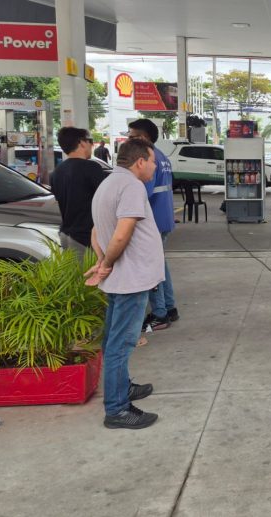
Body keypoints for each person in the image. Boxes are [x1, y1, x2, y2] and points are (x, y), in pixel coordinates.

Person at [86, 138, 163, 429]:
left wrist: (102, 259)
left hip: (122, 276)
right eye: (153, 161)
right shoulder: (131, 186)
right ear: (140, 161)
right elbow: (122, 233)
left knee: (112, 339)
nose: (155, 166)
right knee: (121, 343)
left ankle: (123, 387)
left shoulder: (108, 183)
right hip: (130, 279)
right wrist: (106, 263)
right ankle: (117, 409)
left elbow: (96, 230)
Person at [127, 119, 178, 331]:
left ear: (143, 137)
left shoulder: (146, 158)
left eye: (132, 137)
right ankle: (169, 307)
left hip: (152, 222)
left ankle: (159, 314)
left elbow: (142, 194)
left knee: (151, 268)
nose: (128, 141)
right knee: (159, 265)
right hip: (163, 217)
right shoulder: (162, 156)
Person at [50, 127, 107, 258]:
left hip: (66, 234)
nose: (92, 145)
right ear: (82, 142)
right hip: (87, 237)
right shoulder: (92, 168)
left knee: (74, 276)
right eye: (90, 141)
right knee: (91, 276)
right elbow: (105, 200)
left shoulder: (57, 172)